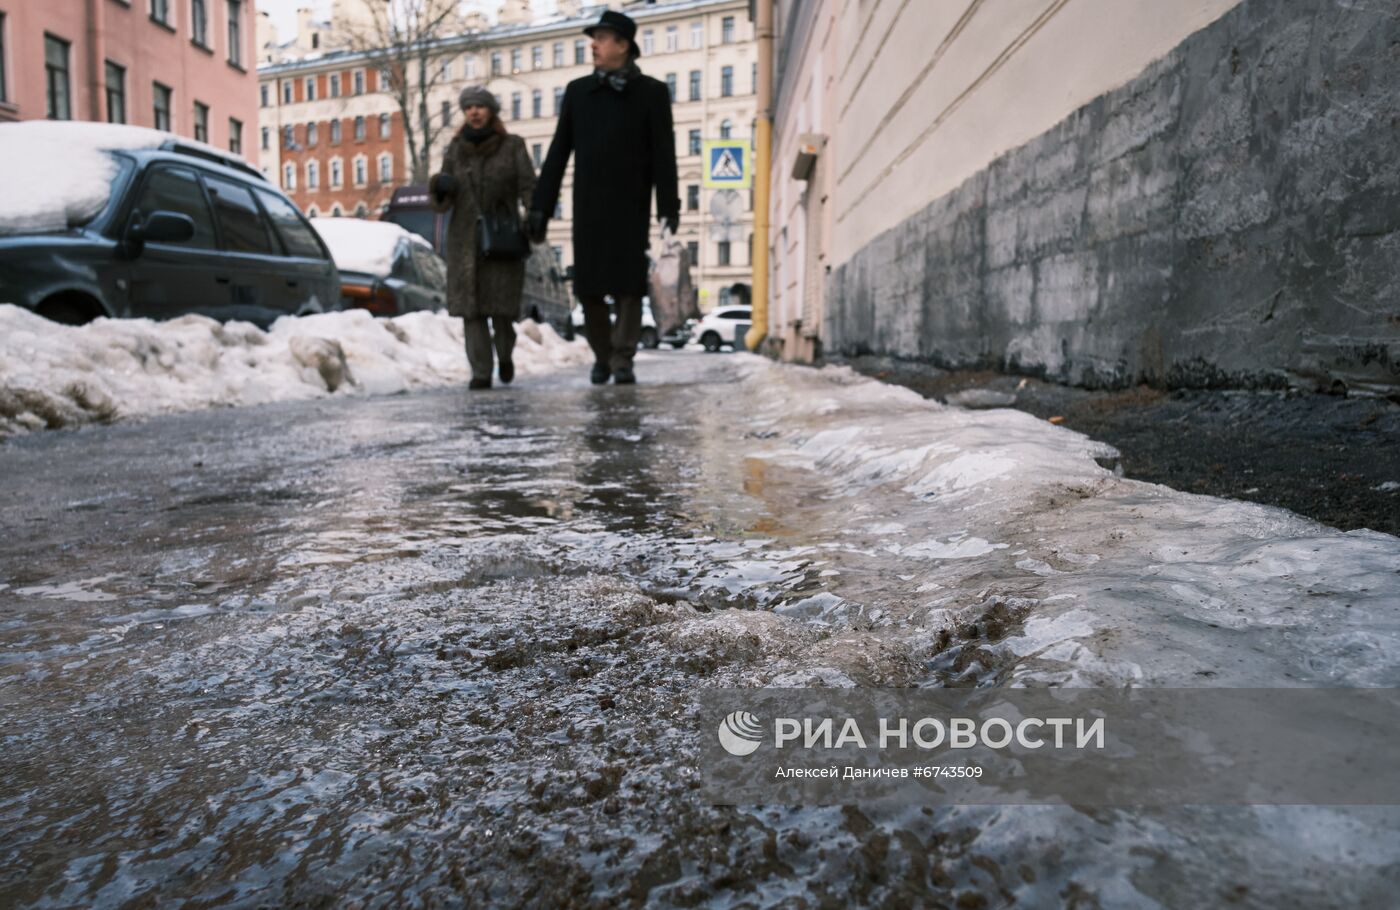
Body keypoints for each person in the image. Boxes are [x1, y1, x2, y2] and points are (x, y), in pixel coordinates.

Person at [529, 10, 680, 386]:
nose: (593, 45)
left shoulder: (652, 93)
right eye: (592, 39)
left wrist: (669, 209)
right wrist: (541, 207)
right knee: (590, 288)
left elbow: (664, 155)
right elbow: (558, 152)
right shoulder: (579, 92)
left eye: (601, 38)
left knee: (629, 288)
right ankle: (602, 354)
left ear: (623, 45)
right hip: (589, 207)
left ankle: (623, 357)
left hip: (631, 207)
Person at [430, 86, 537, 390]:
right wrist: (440, 187)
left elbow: (528, 185)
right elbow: (443, 200)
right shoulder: (455, 149)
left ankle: (504, 356)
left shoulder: (512, 146)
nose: (474, 112)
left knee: (501, 310)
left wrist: (533, 216)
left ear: (491, 111)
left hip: (502, 237)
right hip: (464, 240)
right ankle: (480, 371)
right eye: (468, 108)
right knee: (471, 311)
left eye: (480, 106)